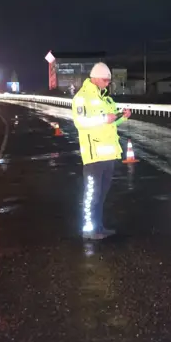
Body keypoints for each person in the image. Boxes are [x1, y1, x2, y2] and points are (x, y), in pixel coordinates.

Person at [71, 62, 131, 240]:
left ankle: (99, 227)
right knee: (92, 195)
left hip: (108, 156)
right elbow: (81, 123)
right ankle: (89, 230)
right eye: (105, 80)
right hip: (93, 156)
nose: (107, 83)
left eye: (109, 81)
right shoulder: (82, 98)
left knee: (102, 195)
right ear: (95, 78)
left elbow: (110, 123)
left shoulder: (106, 98)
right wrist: (104, 118)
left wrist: (122, 118)